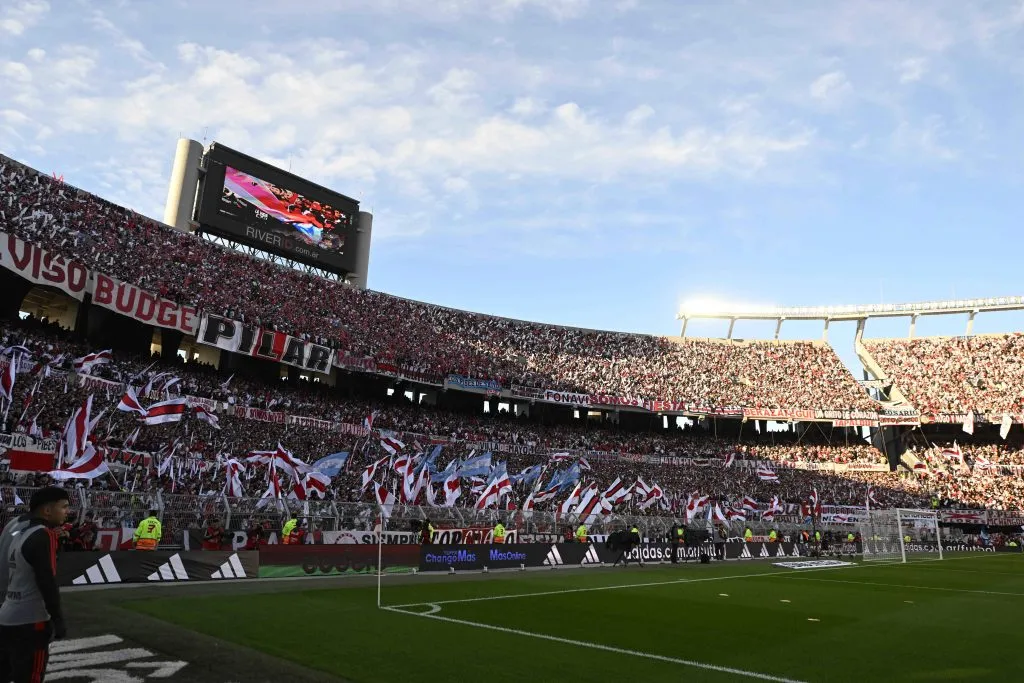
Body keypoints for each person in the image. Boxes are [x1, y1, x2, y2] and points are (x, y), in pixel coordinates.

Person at [0, 487, 70, 683]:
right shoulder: (44, 534)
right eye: (63, 507)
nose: (67, 512)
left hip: (6, 614)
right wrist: (57, 619)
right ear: (47, 510)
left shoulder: (17, 527)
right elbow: (47, 581)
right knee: (31, 676)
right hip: (31, 620)